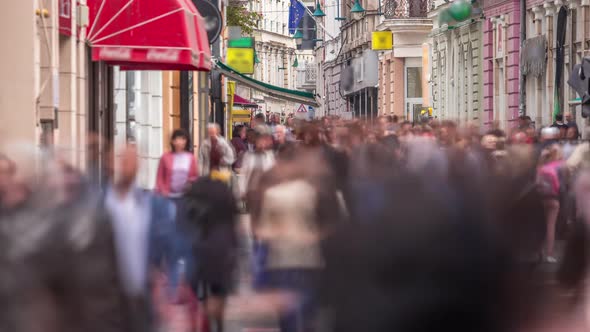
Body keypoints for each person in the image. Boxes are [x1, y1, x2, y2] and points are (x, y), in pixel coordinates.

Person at [104, 144, 178, 332]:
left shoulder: (153, 207)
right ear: (110, 164)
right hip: (107, 300)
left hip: (143, 298)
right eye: (121, 160)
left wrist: (171, 291)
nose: (126, 166)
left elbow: (172, 250)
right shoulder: (99, 205)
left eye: (131, 161)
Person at [155, 129, 198, 199]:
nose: (181, 142)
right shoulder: (165, 157)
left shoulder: (191, 157)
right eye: (179, 139)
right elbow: (159, 178)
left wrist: (190, 184)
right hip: (167, 196)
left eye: (184, 139)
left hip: (185, 197)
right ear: (173, 141)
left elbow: (194, 177)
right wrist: (162, 191)